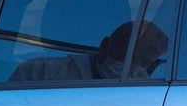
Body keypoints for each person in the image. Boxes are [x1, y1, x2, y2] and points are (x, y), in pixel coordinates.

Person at [10, 20, 168, 82]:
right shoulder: (40, 73)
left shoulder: (152, 91)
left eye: (143, 62)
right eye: (124, 54)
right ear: (105, 45)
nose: (130, 65)